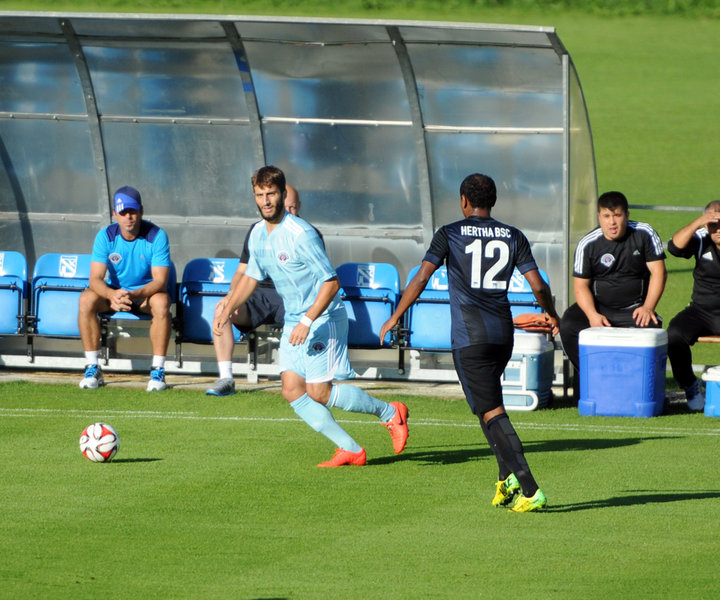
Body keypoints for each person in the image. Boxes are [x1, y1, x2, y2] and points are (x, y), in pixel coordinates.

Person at [379, 173, 560, 513]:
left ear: (464, 200)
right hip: (502, 335)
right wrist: (551, 314)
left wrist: (395, 317)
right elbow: (538, 285)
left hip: (469, 338)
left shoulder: (449, 233)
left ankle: (530, 488)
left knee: (492, 411)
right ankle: (506, 478)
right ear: (493, 201)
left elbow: (422, 276)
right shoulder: (513, 235)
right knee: (486, 404)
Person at [213, 166, 409, 467]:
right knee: (292, 390)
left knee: (319, 391)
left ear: (282, 194)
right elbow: (251, 276)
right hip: (295, 319)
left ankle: (391, 413)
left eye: (271, 194)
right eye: (260, 195)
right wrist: (228, 307)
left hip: (323, 317)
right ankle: (350, 449)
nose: (266, 201)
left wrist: (307, 321)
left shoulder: (301, 234)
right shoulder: (257, 234)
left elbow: (332, 283)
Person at [205, 184, 321, 396]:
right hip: (258, 294)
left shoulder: (306, 233)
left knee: (307, 320)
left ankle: (308, 380)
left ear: (299, 206)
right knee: (222, 309)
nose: (289, 211)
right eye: (285, 207)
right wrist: (232, 297)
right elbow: (243, 272)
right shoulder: (257, 231)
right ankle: (226, 379)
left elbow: (320, 279)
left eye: (293, 207)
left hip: (293, 296)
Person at [560, 191, 666, 394]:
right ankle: (591, 377)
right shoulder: (588, 244)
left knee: (652, 330)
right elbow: (580, 286)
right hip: (599, 308)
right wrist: (592, 315)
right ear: (599, 216)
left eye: (617, 215)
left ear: (626, 215)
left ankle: (636, 387)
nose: (612, 222)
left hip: (634, 308)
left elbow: (659, 272)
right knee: (569, 325)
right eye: (606, 216)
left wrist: (648, 307)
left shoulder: (644, 234)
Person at [78, 185, 173, 391]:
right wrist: (112, 294)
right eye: (123, 212)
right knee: (86, 299)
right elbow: (95, 279)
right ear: (115, 214)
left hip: (144, 296)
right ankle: (93, 367)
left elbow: (160, 282)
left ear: (141, 211)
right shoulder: (105, 236)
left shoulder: (157, 235)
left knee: (162, 302)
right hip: (115, 295)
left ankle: (158, 371)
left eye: (133, 211)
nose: (128, 217)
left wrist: (134, 294)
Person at [666, 200, 720, 411]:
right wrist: (698, 223)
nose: (718, 229)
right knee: (673, 334)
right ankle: (690, 386)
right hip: (700, 311)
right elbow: (674, 247)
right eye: (712, 224)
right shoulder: (701, 238)